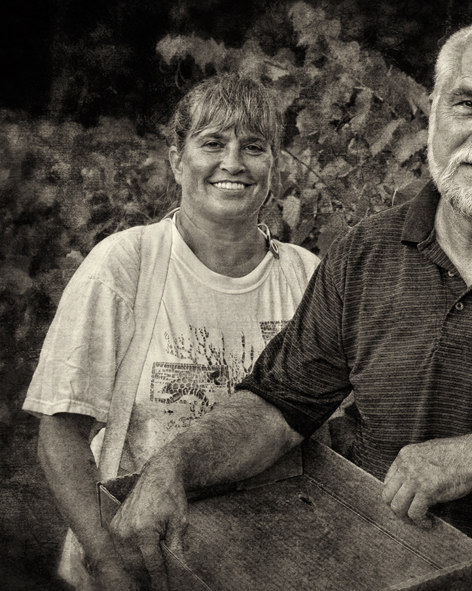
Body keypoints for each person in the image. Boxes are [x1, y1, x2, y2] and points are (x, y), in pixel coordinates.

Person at [108, 18, 472, 591]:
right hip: (378, 573)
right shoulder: (367, 253)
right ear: (434, 113)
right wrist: (173, 465)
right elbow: (277, 408)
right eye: (466, 104)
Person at [22, 73, 320, 591]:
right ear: (177, 160)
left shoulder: (306, 276)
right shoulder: (125, 265)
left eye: (254, 147)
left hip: (269, 559)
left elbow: (328, 432)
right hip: (140, 556)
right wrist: (107, 559)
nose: (233, 163)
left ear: (273, 166)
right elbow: (61, 433)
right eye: (213, 144)